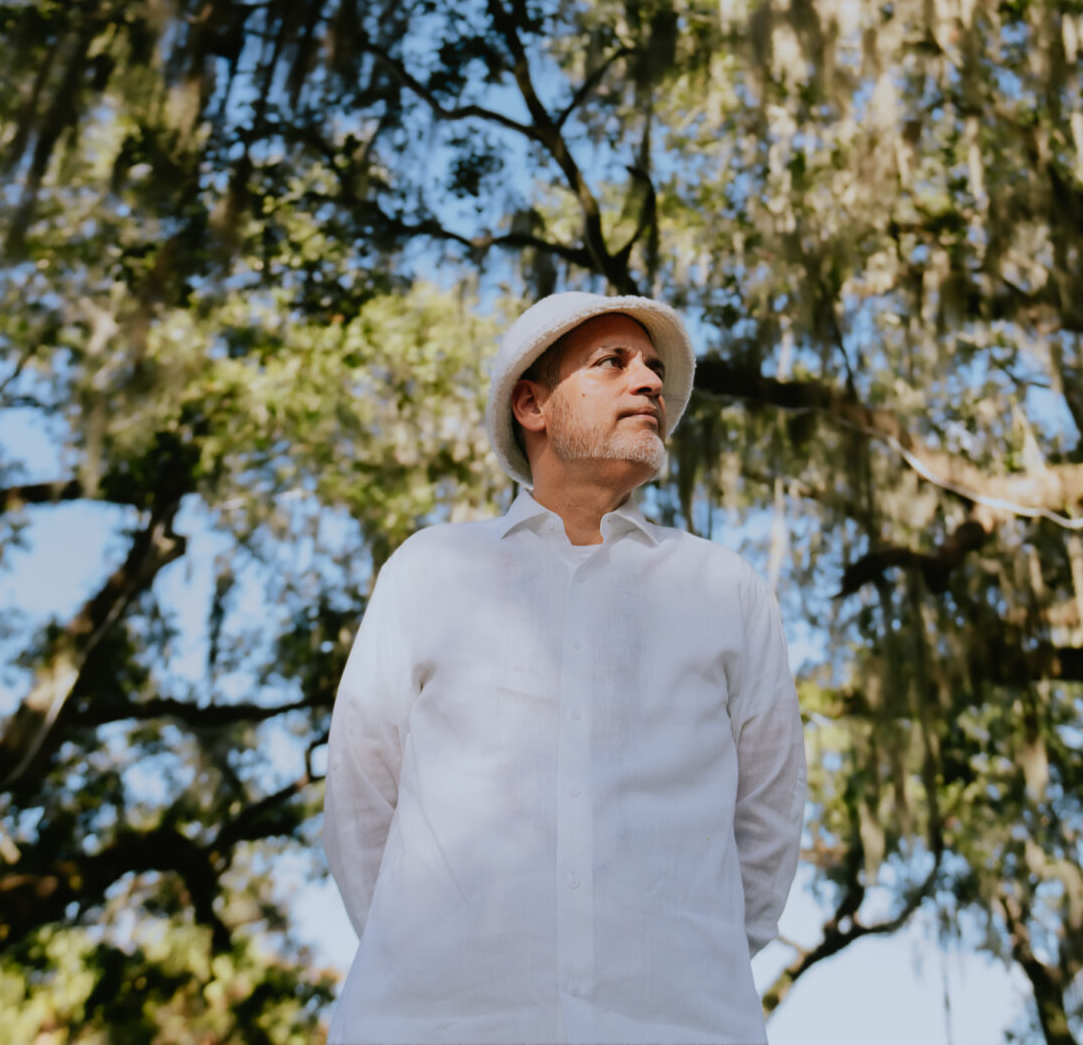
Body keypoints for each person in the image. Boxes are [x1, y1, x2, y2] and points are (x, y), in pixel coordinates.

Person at [321, 291, 807, 1045]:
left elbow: (769, 826)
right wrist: (438, 953)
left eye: (652, 368)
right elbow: (359, 804)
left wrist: (672, 968)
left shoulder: (729, 589)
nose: (648, 382)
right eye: (612, 362)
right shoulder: (428, 570)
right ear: (532, 404)